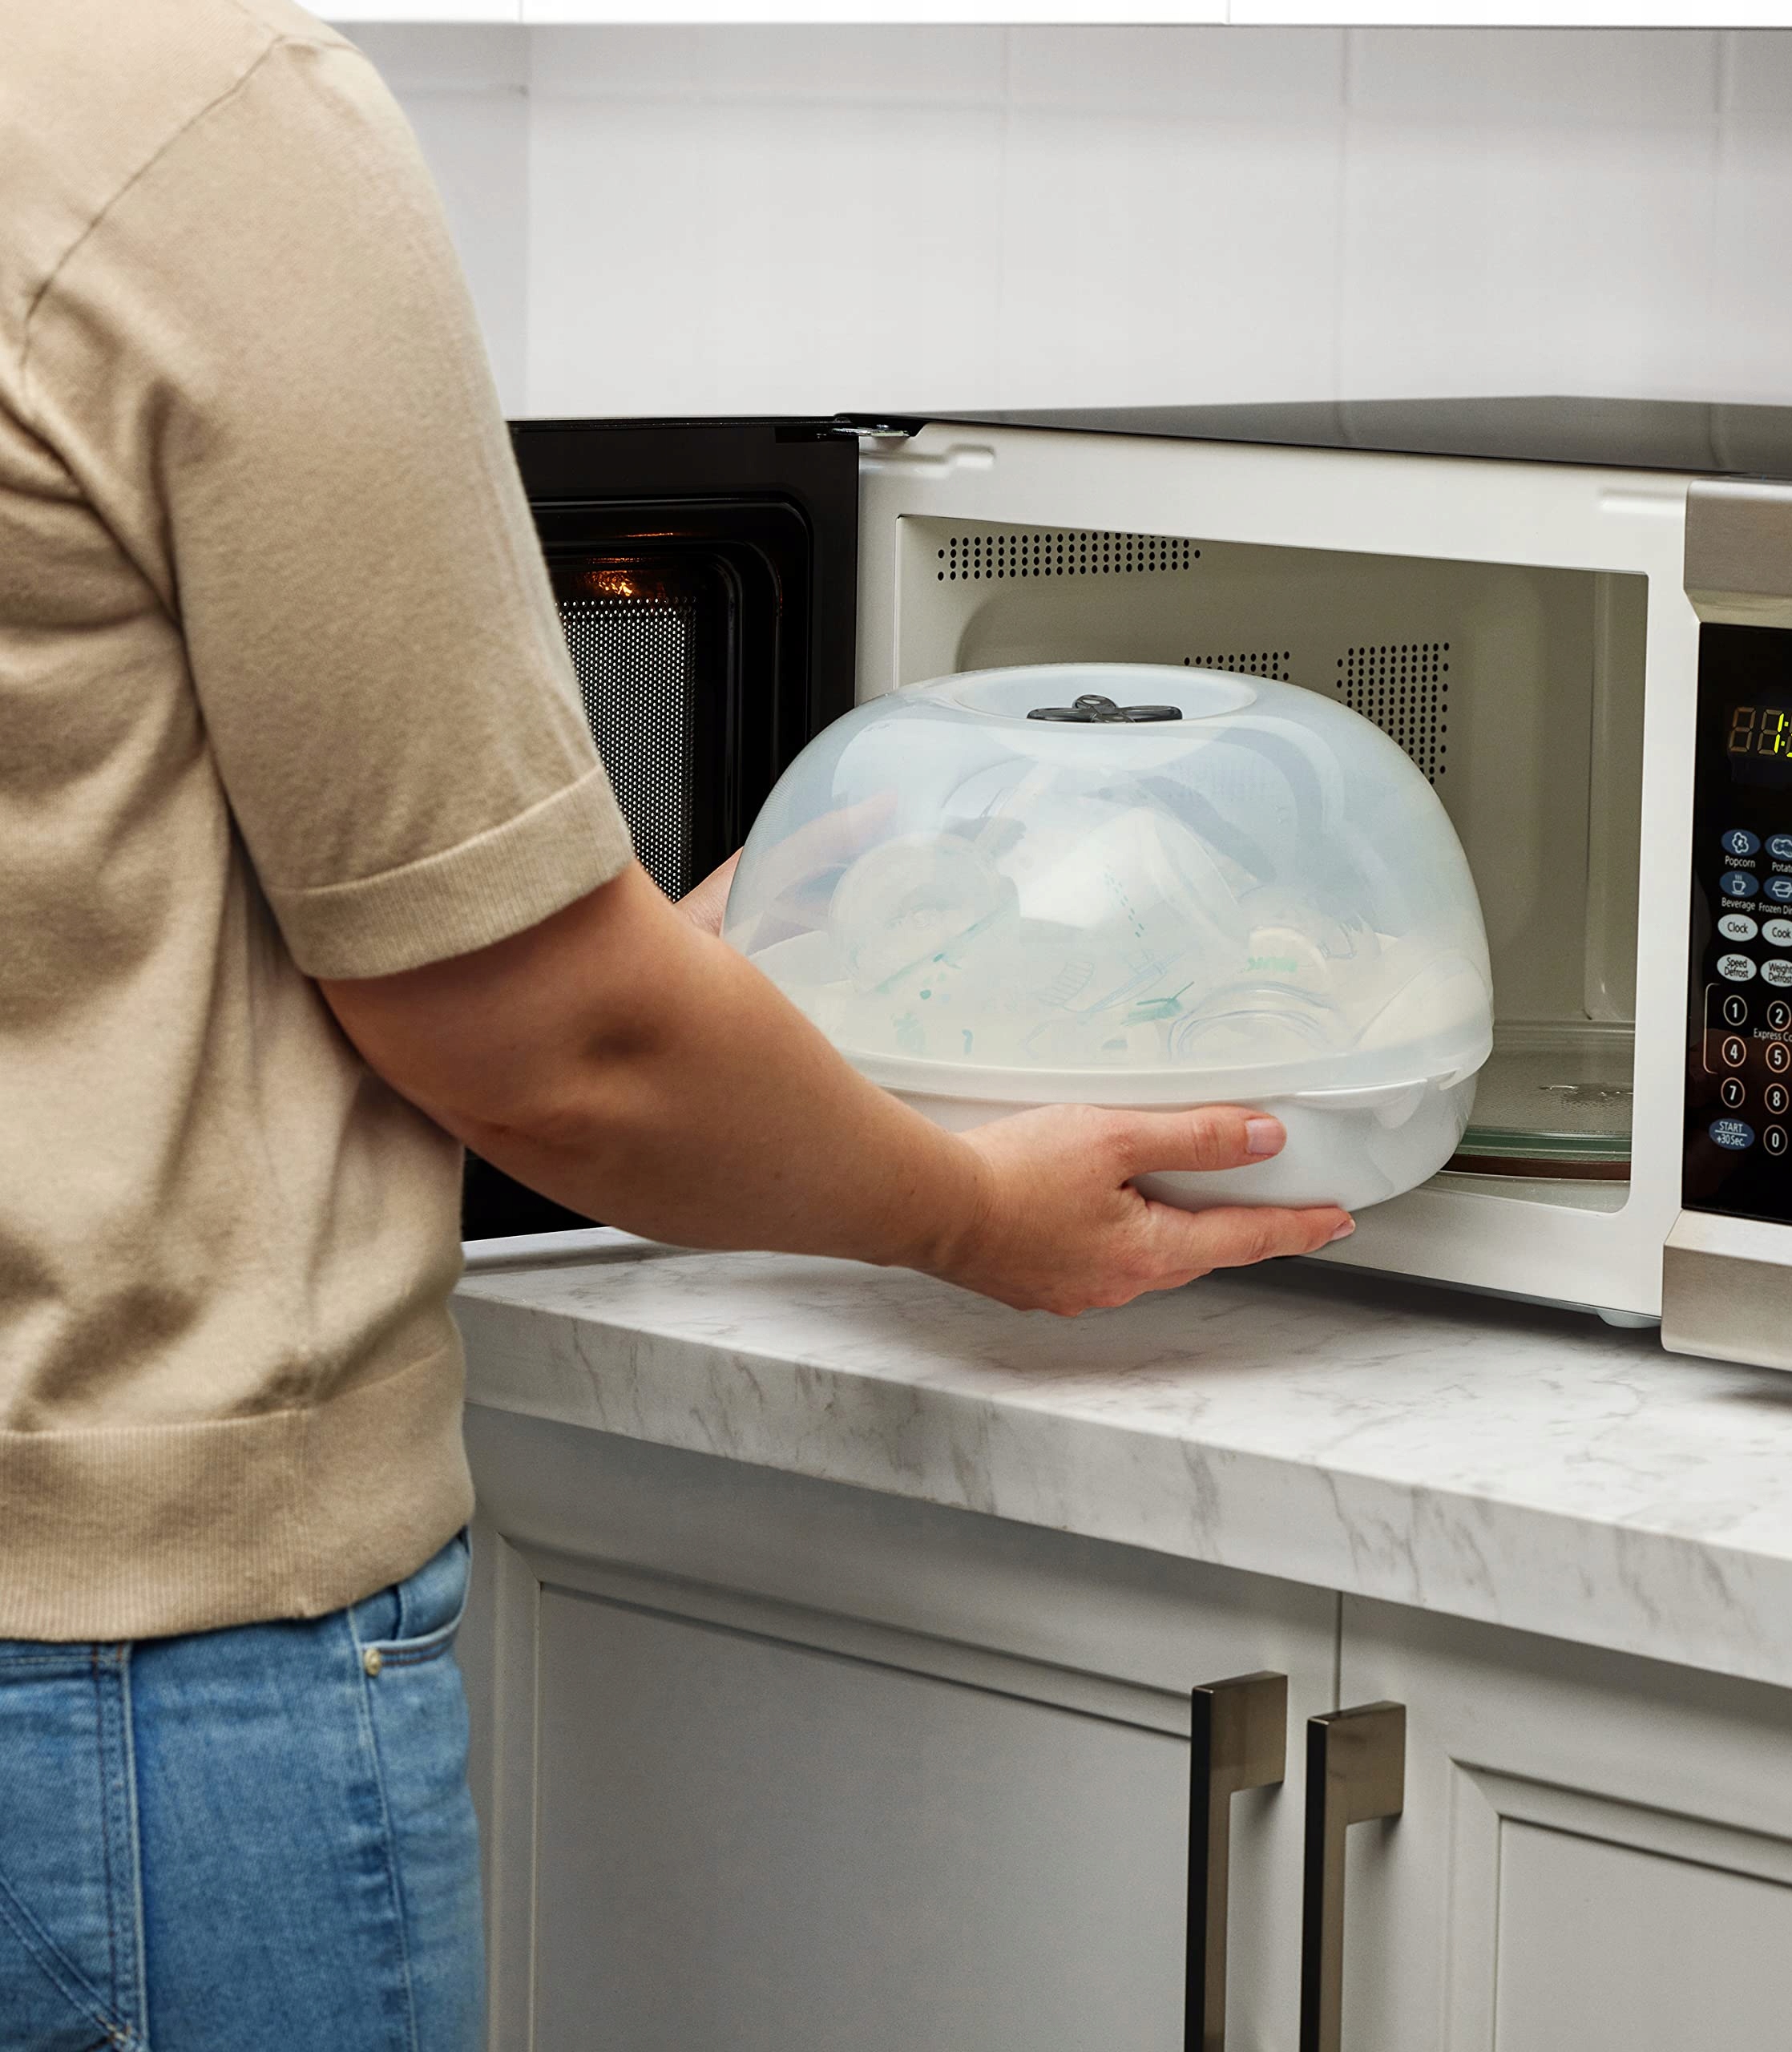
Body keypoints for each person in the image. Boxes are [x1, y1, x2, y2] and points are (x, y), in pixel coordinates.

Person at [0, 4, 1355, 2047]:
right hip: (131, 1678)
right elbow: (558, 1054)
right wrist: (964, 1205)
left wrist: (662, 975)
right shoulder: (196, 119)